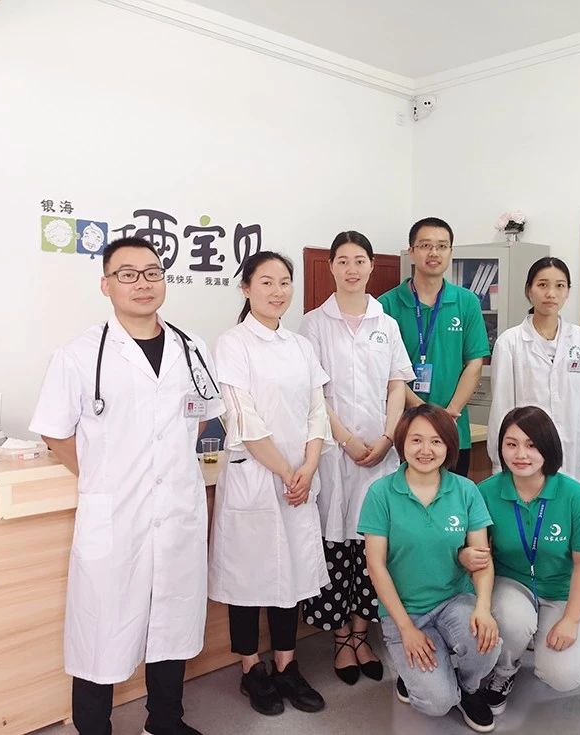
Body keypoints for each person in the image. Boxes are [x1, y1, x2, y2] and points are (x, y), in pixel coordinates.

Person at [30, 236, 223, 735]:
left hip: (177, 509)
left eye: (153, 273)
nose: (143, 283)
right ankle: (94, 727)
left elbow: (207, 416)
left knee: (172, 622)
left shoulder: (191, 348)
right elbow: (55, 431)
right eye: (128, 274)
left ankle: (165, 722)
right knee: (101, 627)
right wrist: (101, 477)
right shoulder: (79, 354)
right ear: (106, 284)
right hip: (113, 515)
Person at [208, 251, 332, 716]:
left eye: (284, 282)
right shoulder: (232, 344)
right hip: (256, 478)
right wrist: (286, 471)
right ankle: (251, 670)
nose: (278, 291)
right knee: (249, 578)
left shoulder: (300, 346)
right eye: (266, 282)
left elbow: (317, 411)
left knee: (292, 575)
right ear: (246, 289)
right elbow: (243, 418)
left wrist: (309, 466)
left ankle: (287, 665)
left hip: (299, 476)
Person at [298, 231, 416, 684]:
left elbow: (396, 385)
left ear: (371, 266)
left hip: (381, 453)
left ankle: (362, 635)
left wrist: (388, 437)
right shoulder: (313, 324)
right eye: (343, 260)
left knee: (372, 545)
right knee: (337, 544)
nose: (352, 268)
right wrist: (346, 439)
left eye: (360, 260)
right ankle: (341, 638)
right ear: (331, 266)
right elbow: (314, 393)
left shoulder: (387, 324)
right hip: (333, 451)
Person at [359, 405, 501, 733]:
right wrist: (406, 629)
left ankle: (468, 688)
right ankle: (421, 678)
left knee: (487, 643)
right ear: (402, 444)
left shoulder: (465, 490)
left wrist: (483, 607)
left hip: (454, 600)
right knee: (437, 703)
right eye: (416, 440)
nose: (426, 450)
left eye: (436, 441)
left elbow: (481, 559)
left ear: (449, 446)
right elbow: (376, 566)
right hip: (404, 610)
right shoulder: (381, 493)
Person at [461, 406, 580, 715]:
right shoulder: (486, 492)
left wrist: (571, 620)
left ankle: (543, 632)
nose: (521, 454)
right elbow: (469, 546)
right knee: (511, 619)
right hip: (511, 583)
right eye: (511, 444)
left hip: (561, 591)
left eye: (532, 445)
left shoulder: (575, 497)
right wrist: (465, 554)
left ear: (548, 448)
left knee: (563, 677)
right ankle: (505, 670)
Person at [378, 217, 490, 477]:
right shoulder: (386, 305)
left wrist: (450, 413)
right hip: (403, 428)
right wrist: (423, 411)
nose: (434, 253)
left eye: (442, 246)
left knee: (453, 496)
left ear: (450, 251)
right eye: (425, 245)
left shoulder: (466, 302)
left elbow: (474, 363)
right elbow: (386, 371)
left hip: (452, 427)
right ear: (411, 251)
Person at [486, 257, 580, 495]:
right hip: (526, 452)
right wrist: (500, 461)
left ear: (568, 291)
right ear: (529, 290)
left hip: (575, 451)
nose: (551, 293)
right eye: (542, 285)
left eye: (560, 286)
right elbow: (501, 407)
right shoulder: (510, 342)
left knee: (572, 509)